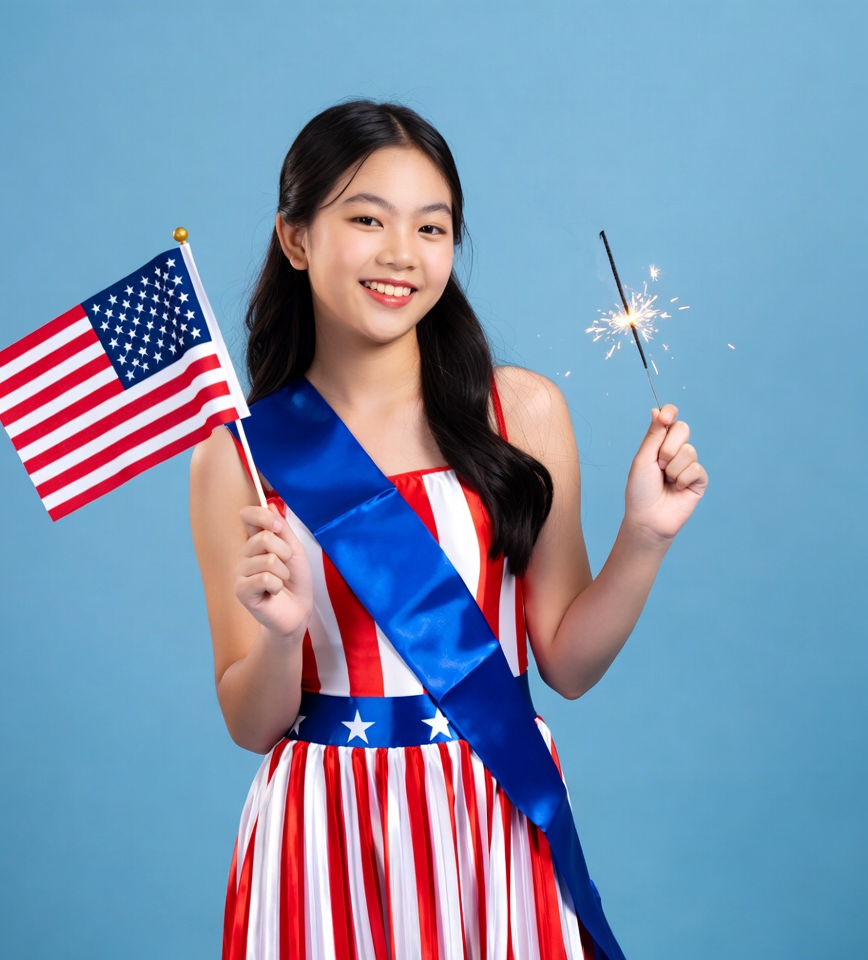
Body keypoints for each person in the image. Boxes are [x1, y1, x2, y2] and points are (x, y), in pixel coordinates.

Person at [189, 100, 707, 960]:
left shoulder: (520, 411)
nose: (402, 255)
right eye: (366, 219)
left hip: (493, 813)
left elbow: (568, 664)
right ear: (296, 238)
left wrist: (644, 537)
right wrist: (283, 639)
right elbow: (250, 721)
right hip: (325, 835)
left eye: (432, 227)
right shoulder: (240, 460)